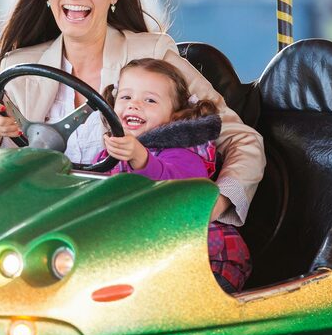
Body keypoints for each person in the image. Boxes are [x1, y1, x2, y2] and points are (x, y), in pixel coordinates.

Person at [0, 0, 265, 227]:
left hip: (126, 233)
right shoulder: (18, 69)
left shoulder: (150, 55)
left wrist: (215, 205)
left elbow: (243, 141)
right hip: (43, 230)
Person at [97, 58, 251, 292]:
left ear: (175, 115)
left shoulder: (185, 152)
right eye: (126, 97)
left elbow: (180, 191)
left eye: (150, 100)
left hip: (200, 257)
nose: (134, 105)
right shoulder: (109, 153)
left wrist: (143, 160)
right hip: (145, 252)